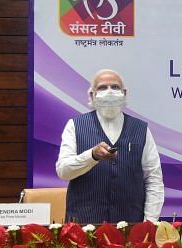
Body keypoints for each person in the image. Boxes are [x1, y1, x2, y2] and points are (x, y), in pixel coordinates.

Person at [56, 69, 164, 223]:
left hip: (130, 226)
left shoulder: (141, 129)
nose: (109, 92)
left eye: (115, 87)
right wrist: (92, 156)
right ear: (92, 95)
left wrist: (150, 223)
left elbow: (153, 180)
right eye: (102, 87)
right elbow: (63, 172)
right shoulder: (74, 125)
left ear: (124, 93)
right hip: (84, 226)